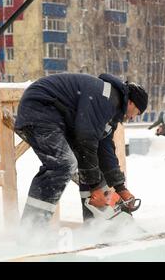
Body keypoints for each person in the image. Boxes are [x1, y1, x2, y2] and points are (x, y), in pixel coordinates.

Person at [15, 73, 148, 228]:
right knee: (63, 165)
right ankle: (31, 228)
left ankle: (96, 228)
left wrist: (121, 188)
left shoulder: (111, 109)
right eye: (137, 113)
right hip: (40, 108)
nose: (133, 118)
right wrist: (95, 188)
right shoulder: (106, 99)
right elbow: (86, 140)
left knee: (93, 172)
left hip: (58, 116)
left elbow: (104, 152)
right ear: (131, 103)